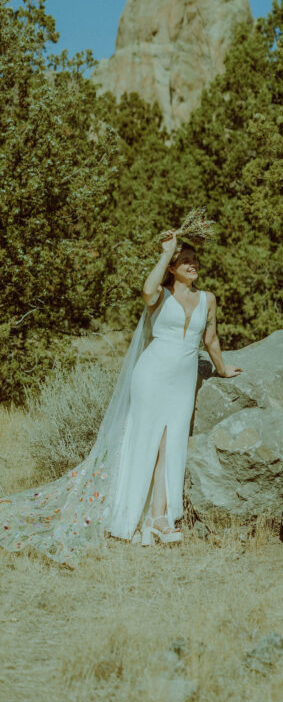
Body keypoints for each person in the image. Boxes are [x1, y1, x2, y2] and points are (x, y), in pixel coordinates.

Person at [0, 229, 240, 566]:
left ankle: (157, 518)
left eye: (194, 260)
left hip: (183, 380)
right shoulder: (161, 294)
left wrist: (223, 368)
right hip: (152, 374)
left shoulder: (208, 299)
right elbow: (145, 289)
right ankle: (135, 516)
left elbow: (211, 337)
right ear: (172, 269)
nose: (192, 265)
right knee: (147, 440)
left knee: (171, 444)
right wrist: (165, 252)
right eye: (184, 261)